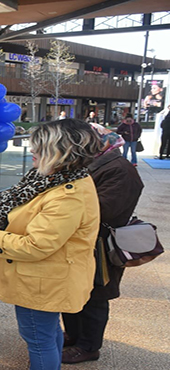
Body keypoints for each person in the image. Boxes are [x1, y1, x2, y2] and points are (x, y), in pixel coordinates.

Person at [0, 119, 103, 370]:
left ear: (61, 153)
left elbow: (36, 245)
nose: (32, 151)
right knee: (48, 333)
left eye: (39, 148)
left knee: (38, 340)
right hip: (47, 276)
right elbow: (29, 201)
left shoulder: (66, 193)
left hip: (43, 281)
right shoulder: (58, 178)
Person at [61, 123, 143, 364]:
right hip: (83, 241)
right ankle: (74, 335)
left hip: (100, 245)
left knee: (95, 297)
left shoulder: (120, 169)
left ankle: (89, 346)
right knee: (74, 291)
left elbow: (104, 209)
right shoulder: (90, 163)